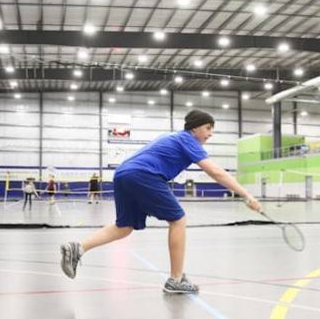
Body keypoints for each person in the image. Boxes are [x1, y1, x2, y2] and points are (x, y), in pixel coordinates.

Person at [60, 109, 262, 294]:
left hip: (123, 174)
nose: (210, 134)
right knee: (178, 220)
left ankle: (78, 248)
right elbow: (216, 172)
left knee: (124, 227)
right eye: (208, 128)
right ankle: (176, 280)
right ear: (195, 128)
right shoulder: (188, 139)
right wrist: (247, 196)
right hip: (144, 174)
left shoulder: (171, 137)